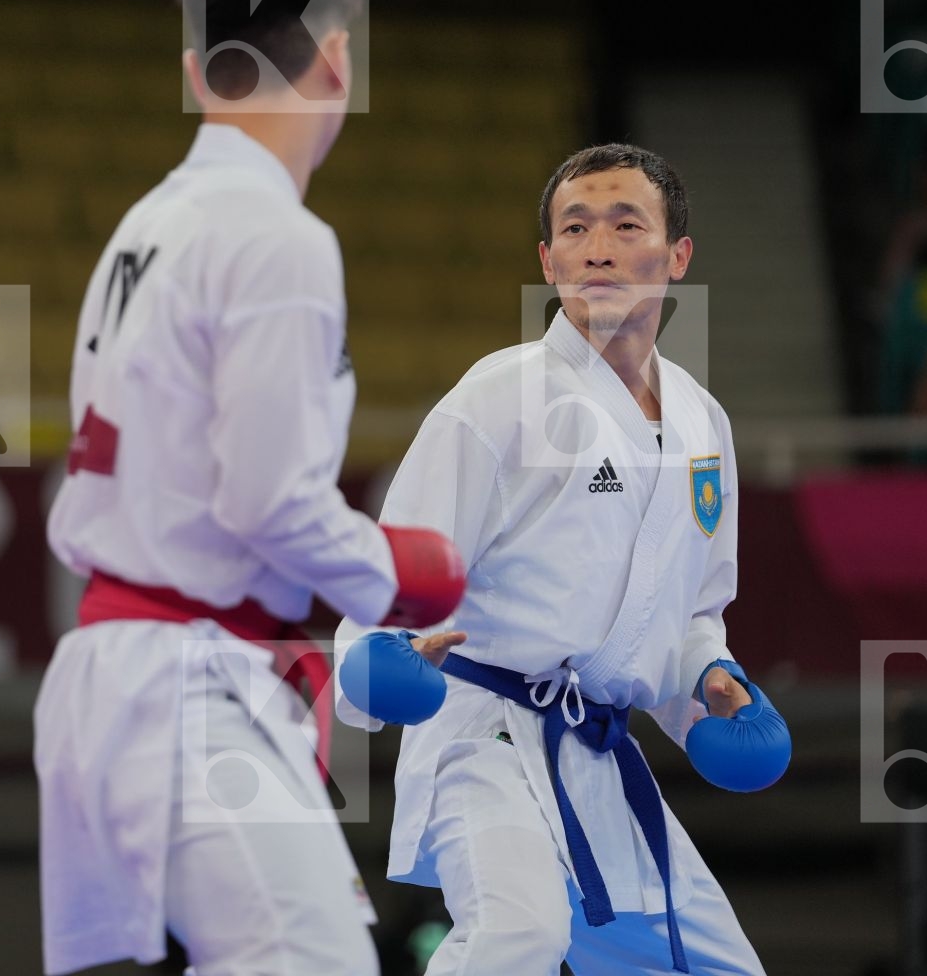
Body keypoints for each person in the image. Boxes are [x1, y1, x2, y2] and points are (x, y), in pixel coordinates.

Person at [34, 0, 467, 976]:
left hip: (118, 677)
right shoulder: (278, 238)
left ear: (196, 69)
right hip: (185, 686)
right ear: (337, 57)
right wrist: (400, 575)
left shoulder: (145, 227)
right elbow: (266, 503)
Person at [336, 143, 789, 974]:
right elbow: (389, 580)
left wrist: (711, 683)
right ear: (548, 262)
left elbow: (691, 612)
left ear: (677, 256)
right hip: (486, 740)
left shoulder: (701, 423)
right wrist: (373, 659)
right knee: (519, 936)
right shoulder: (498, 397)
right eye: (574, 229)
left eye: (626, 224)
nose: (599, 248)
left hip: (596, 755)